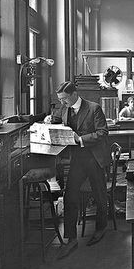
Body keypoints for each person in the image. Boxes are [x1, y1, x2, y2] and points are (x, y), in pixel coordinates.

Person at [44, 81, 110, 259]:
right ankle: (71, 239)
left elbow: (103, 132)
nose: (62, 103)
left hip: (95, 158)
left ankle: (101, 228)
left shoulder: (94, 108)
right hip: (78, 160)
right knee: (69, 195)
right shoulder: (65, 108)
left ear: (74, 94)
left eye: (64, 99)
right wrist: (51, 119)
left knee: (99, 194)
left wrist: (80, 139)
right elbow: (64, 121)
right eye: (60, 100)